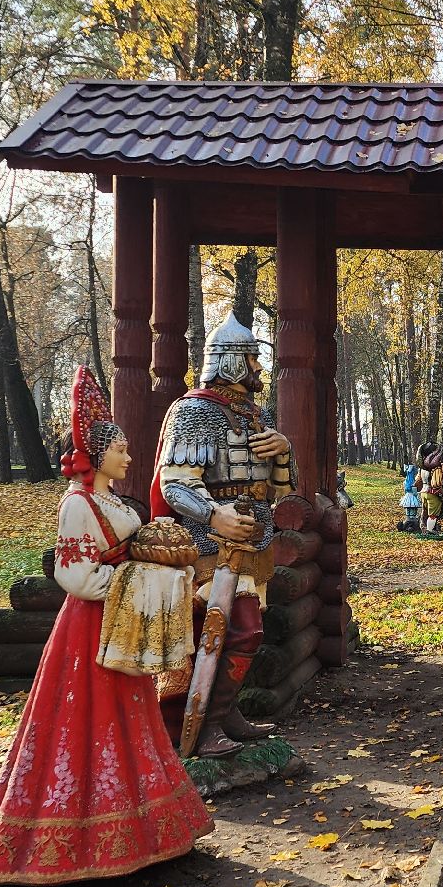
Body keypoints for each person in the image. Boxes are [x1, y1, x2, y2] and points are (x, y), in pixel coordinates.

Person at [0, 368, 214, 885]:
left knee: (129, 714)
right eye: (118, 449)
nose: (126, 456)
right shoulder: (77, 504)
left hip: (121, 623)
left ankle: (144, 829)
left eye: (123, 448)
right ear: (97, 457)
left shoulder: (112, 501)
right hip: (91, 628)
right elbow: (72, 573)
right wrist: (136, 580)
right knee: (86, 718)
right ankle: (72, 843)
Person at [151, 311, 292, 758]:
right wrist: (215, 518)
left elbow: (279, 489)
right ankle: (203, 725)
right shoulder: (194, 411)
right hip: (210, 543)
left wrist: (284, 451)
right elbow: (175, 484)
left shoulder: (256, 415)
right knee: (229, 631)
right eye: (251, 360)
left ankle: (225, 715)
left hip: (253, 538)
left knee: (244, 632)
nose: (257, 369)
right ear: (230, 361)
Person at [419, 443, 443, 535]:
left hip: (423, 491)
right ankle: (430, 530)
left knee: (425, 512)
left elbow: (418, 480)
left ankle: (425, 528)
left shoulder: (422, 468)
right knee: (433, 514)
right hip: (432, 493)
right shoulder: (436, 469)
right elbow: (438, 483)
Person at [399, 461, 423, 532]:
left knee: (408, 509)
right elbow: (415, 492)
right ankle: (412, 519)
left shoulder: (406, 482)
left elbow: (405, 490)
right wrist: (417, 496)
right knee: (413, 508)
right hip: (412, 497)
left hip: (407, 497)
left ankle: (408, 517)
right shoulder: (412, 483)